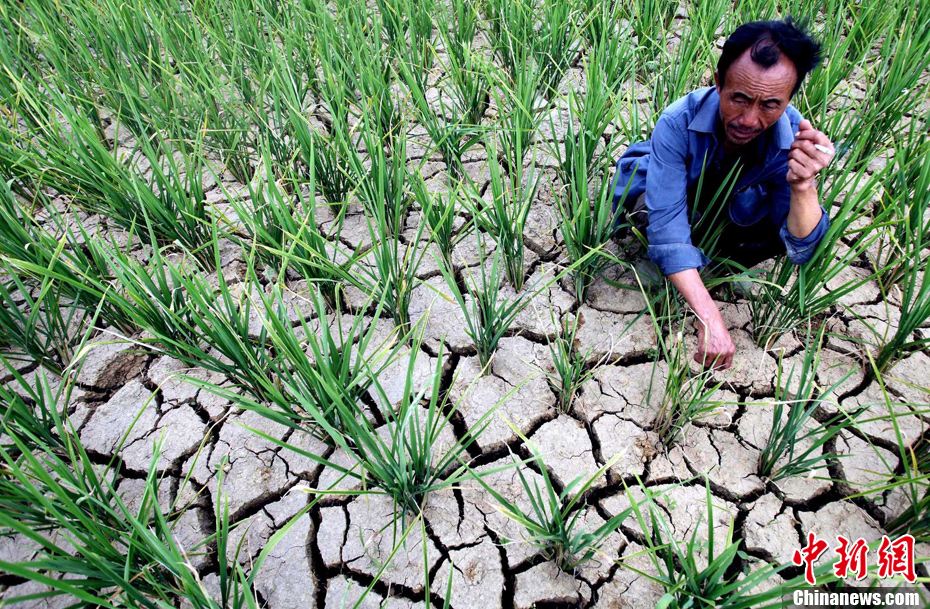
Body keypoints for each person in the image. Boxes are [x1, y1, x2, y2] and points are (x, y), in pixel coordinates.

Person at [611, 18, 834, 370]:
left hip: (724, 209)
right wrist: (710, 316)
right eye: (740, 99)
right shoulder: (678, 121)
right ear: (717, 84)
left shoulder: (791, 138)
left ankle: (705, 262)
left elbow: (799, 248)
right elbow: (666, 224)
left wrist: (803, 185)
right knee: (645, 215)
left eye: (770, 105)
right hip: (667, 197)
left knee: (772, 225)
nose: (749, 119)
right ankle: (688, 271)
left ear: (789, 100)